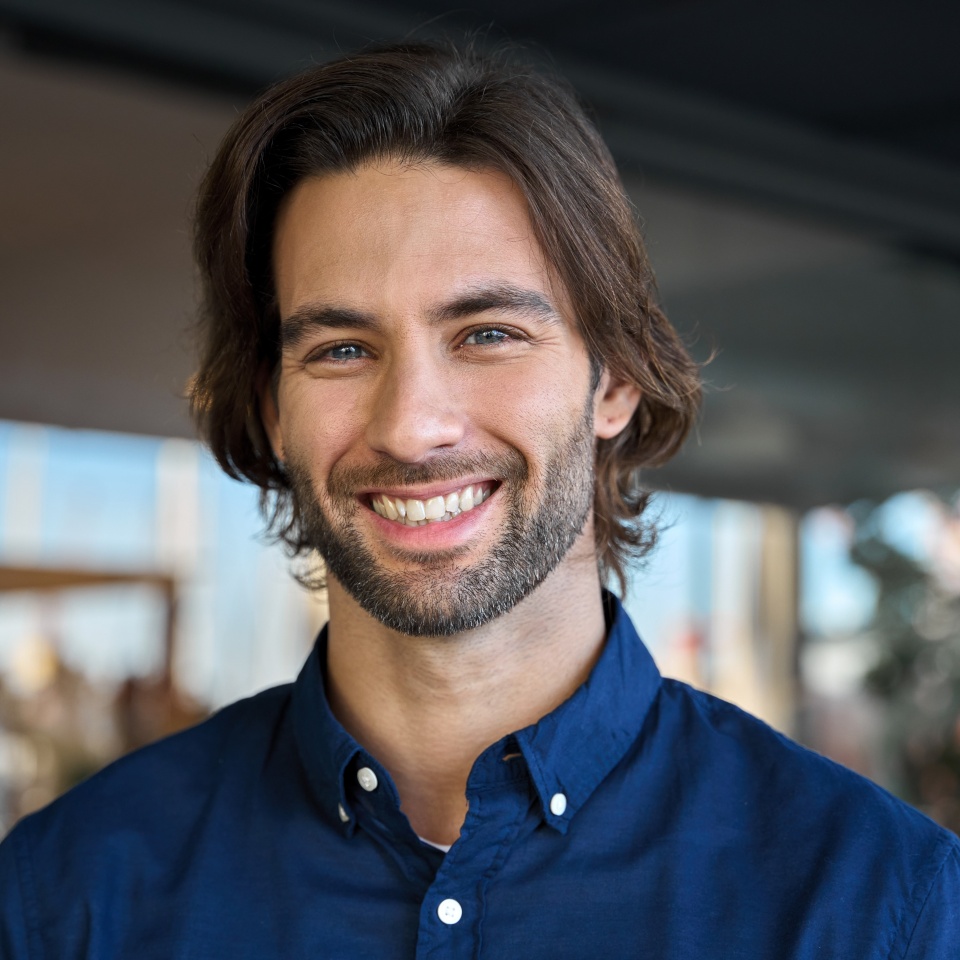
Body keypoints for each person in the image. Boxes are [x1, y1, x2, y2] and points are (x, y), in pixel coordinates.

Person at [1, 40, 957, 959]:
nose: (413, 426)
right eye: (341, 350)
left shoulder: (878, 901)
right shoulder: (68, 895)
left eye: (488, 333)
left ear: (615, 379)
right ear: (273, 411)